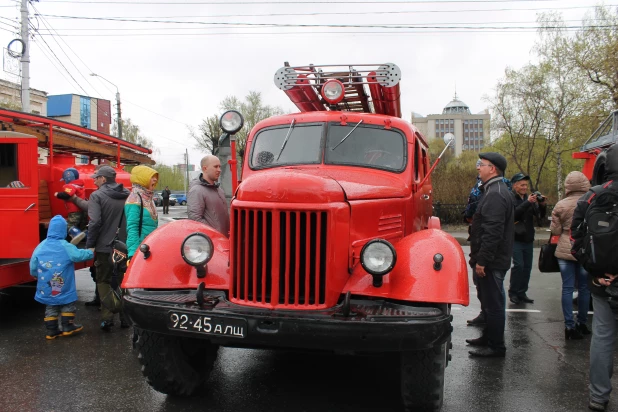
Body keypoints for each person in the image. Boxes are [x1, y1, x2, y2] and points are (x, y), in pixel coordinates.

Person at [571, 145, 618, 412]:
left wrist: (596, 271)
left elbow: (576, 239)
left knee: (602, 335)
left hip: (601, 280)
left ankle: (599, 396)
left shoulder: (591, 196)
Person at [466, 152, 514, 358]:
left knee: (493, 304)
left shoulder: (495, 193)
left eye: (481, 164)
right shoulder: (495, 189)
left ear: (492, 169)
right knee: (488, 302)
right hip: (492, 259)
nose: (478, 168)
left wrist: (482, 261)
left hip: (492, 261)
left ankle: (496, 346)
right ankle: (488, 338)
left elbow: (492, 232)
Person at [29, 215, 94, 339]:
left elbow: (33, 263)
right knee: (67, 303)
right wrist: (90, 252)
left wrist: (35, 274)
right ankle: (68, 326)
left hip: (46, 283)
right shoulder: (65, 245)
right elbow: (78, 256)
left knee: (50, 305)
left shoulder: (41, 246)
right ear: (63, 230)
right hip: (63, 283)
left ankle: (51, 330)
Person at [85, 165, 130, 331]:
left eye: (96, 178)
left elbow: (95, 222)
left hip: (104, 247)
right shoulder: (127, 194)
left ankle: (107, 317)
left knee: (103, 280)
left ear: (103, 179)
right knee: (120, 280)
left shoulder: (96, 196)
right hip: (123, 246)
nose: (94, 180)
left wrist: (90, 245)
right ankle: (125, 318)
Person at [551, 171, 592, 340]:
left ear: (568, 185)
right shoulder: (591, 202)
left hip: (565, 249)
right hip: (584, 248)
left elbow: (555, 230)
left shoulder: (561, 205)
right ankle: (582, 323)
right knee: (584, 288)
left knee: (567, 288)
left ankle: (569, 326)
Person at [508, 172, 546, 304]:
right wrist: (527, 203)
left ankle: (522, 292)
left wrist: (542, 205)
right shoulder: (511, 198)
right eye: (522, 185)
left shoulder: (529, 199)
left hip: (528, 237)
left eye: (526, 185)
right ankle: (513, 292)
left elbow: (540, 217)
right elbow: (513, 215)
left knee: (527, 267)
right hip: (516, 238)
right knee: (518, 265)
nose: (525, 187)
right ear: (515, 185)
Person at [187, 155, 230, 237]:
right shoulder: (197, 190)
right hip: (211, 242)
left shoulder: (219, 190)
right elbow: (195, 220)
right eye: (215, 167)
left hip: (223, 239)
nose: (219, 170)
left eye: (219, 167)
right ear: (205, 168)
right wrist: (213, 233)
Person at [125, 165, 159, 259]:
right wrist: (133, 254)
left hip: (149, 247)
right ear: (142, 179)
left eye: (155, 177)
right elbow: (132, 228)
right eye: (152, 177)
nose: (155, 180)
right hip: (140, 251)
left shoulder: (148, 198)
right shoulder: (134, 199)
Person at [56, 167, 87, 245]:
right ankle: (86, 238)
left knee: (70, 225)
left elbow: (68, 194)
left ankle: (77, 234)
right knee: (83, 226)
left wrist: (58, 194)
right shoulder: (80, 185)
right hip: (83, 209)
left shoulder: (69, 186)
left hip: (74, 211)